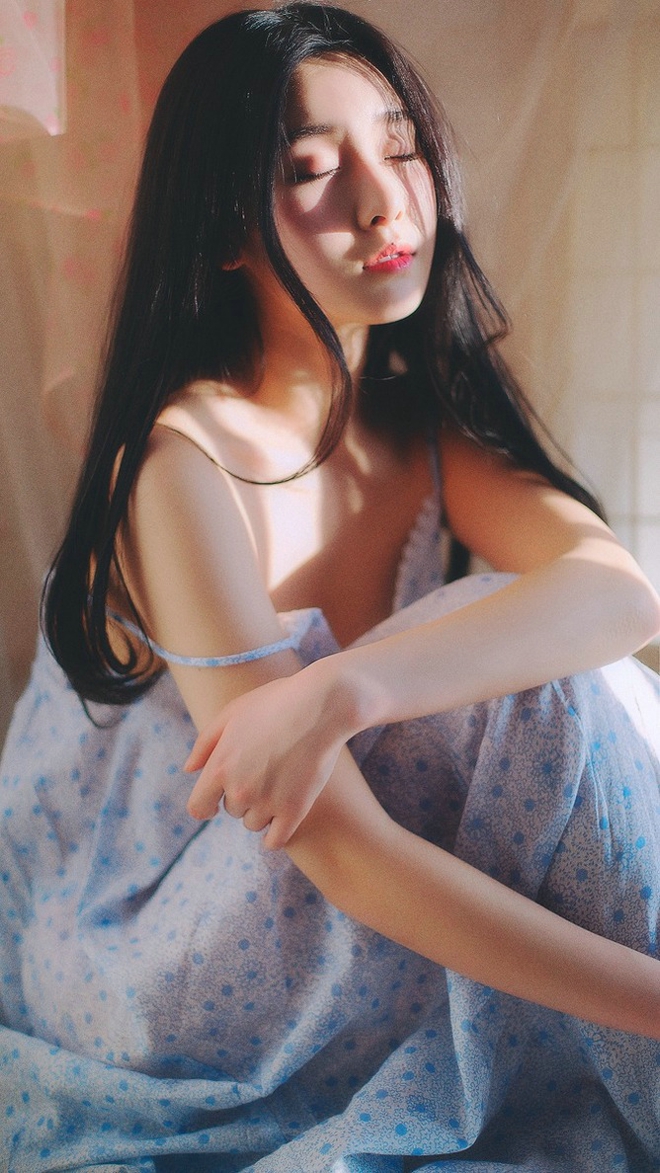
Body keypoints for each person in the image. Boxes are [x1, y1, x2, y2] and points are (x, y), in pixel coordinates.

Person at [1, 4, 659, 1169]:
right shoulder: (180, 463)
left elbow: (620, 598)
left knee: (556, 665)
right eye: (312, 169)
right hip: (166, 952)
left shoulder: (419, 431)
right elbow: (340, 847)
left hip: (341, 915)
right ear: (223, 229)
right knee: (524, 673)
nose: (384, 202)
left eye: (401, 147)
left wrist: (340, 691)